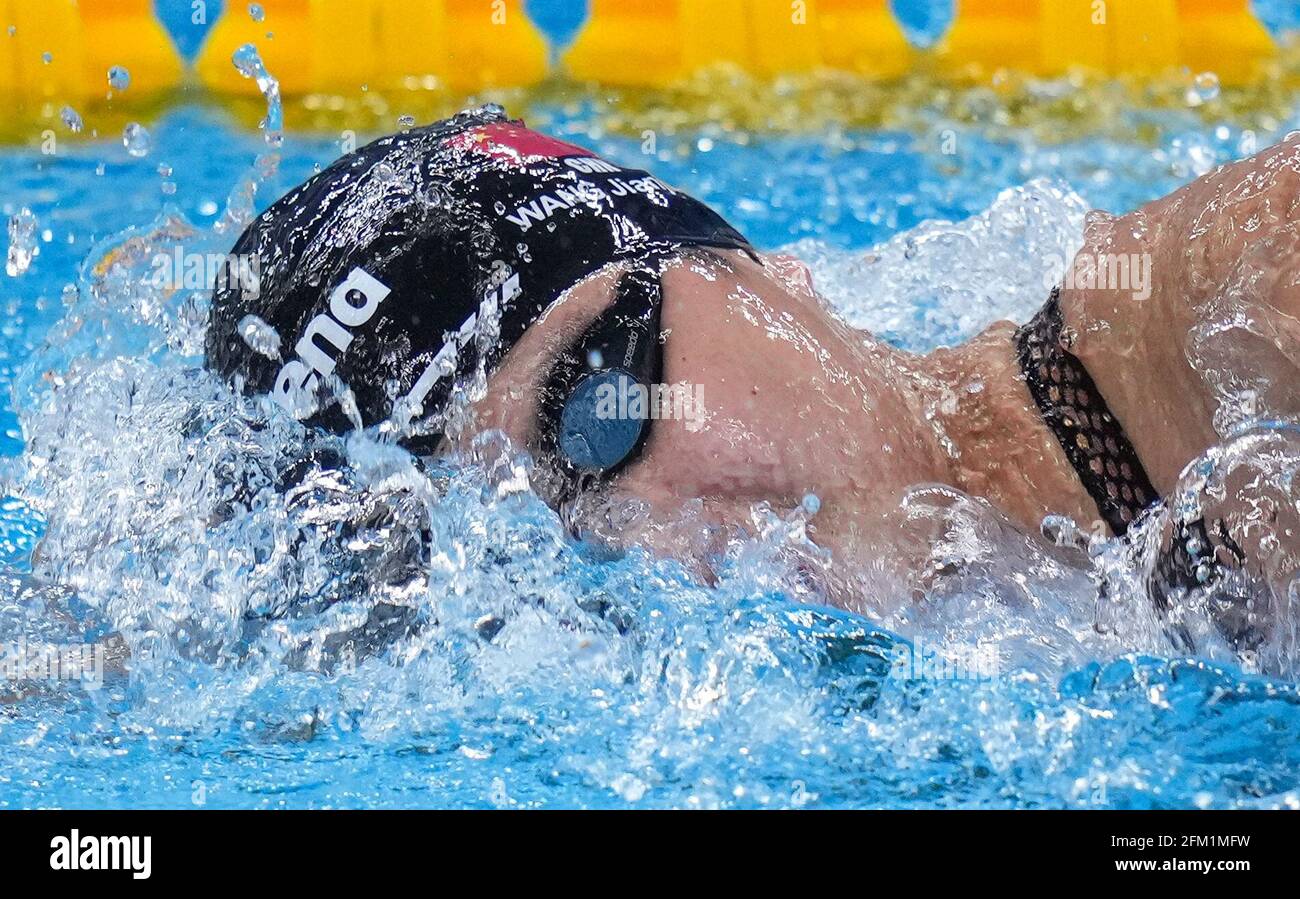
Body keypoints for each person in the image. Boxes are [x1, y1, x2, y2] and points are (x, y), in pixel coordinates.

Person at [206, 106, 1300, 647]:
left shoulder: (1240, 320)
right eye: (545, 542)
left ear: (766, 272)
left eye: (597, 405)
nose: (645, 544)